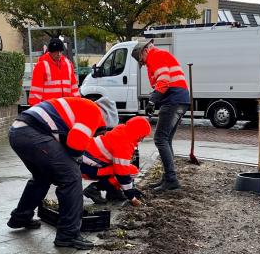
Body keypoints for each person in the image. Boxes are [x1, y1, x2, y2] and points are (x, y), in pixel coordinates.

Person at [7, 97, 114, 250]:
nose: (97, 136)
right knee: (71, 178)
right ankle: (68, 235)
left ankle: (20, 217)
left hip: (18, 132)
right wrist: (75, 159)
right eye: (102, 132)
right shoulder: (95, 113)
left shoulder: (82, 107)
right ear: (106, 121)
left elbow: (68, 141)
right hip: (33, 134)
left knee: (42, 177)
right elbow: (75, 144)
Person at [131, 39, 190, 192]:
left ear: (145, 51)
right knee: (166, 139)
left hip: (173, 99)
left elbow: (164, 79)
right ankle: (168, 177)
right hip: (179, 98)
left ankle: (171, 179)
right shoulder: (160, 55)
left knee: (160, 138)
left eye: (141, 60)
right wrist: (154, 100)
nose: (142, 63)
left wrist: (152, 101)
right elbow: (164, 81)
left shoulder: (155, 56)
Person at [81, 116, 151, 206]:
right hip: (86, 167)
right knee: (130, 171)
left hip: (85, 162)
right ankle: (94, 189)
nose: (142, 139)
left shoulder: (122, 131)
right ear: (138, 133)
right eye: (143, 136)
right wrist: (132, 197)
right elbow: (122, 174)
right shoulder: (124, 144)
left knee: (124, 169)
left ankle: (112, 192)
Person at [28, 37, 80, 106]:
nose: (58, 54)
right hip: (49, 108)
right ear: (50, 52)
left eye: (60, 51)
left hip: (66, 107)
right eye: (56, 52)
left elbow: (74, 87)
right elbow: (36, 91)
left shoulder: (68, 64)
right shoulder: (41, 65)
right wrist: (35, 110)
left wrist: (77, 103)